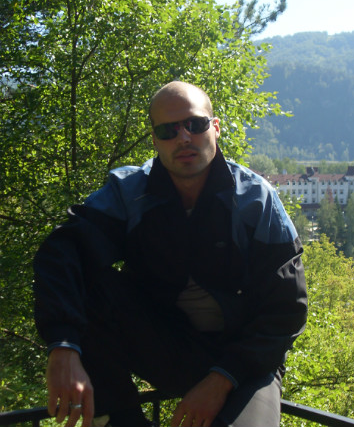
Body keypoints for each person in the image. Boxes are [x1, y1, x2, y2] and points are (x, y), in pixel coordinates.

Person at [33, 81, 308, 427]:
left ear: (216, 127)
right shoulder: (129, 193)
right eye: (168, 130)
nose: (183, 138)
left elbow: (287, 308)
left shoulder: (256, 200)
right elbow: (61, 252)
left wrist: (222, 379)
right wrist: (63, 345)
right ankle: (118, 419)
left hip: (245, 361)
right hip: (167, 348)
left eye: (195, 124)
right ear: (154, 139)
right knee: (89, 281)